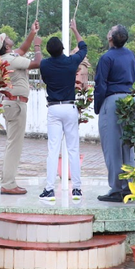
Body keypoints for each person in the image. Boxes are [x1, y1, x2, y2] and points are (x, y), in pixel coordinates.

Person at [0, 22, 41, 195]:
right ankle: (8, 184)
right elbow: (37, 63)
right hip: (16, 104)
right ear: (6, 46)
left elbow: (23, 49)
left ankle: (7, 181)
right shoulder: (11, 60)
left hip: (11, 103)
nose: (9, 37)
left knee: (12, 144)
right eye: (6, 38)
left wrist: (32, 33)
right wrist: (38, 46)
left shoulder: (3, 58)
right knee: (14, 146)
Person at [38, 20, 87, 201]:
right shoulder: (71, 62)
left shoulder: (44, 64)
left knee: (53, 150)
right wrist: (75, 29)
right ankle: (77, 189)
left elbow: (45, 79)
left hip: (53, 108)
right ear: (63, 49)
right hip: (69, 106)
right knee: (73, 149)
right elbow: (83, 48)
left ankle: (49, 189)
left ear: (48, 51)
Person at [93, 24, 135, 202]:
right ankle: (130, 186)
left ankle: (117, 188)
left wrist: (98, 106)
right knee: (128, 146)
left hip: (112, 100)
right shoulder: (130, 55)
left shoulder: (106, 58)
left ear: (110, 38)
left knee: (112, 147)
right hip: (130, 100)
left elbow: (100, 85)